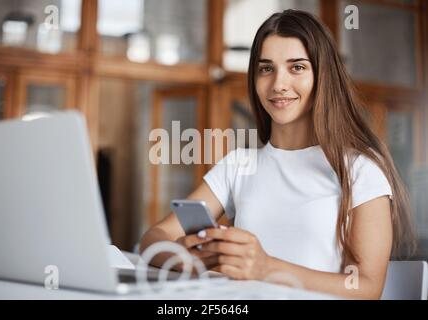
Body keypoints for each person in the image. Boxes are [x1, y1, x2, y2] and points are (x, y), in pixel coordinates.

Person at [139, 10, 416, 299]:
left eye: (296, 67)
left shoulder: (360, 169)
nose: (278, 84)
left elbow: (367, 288)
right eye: (266, 69)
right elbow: (154, 239)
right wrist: (188, 258)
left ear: (323, 76)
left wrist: (264, 268)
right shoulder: (239, 165)